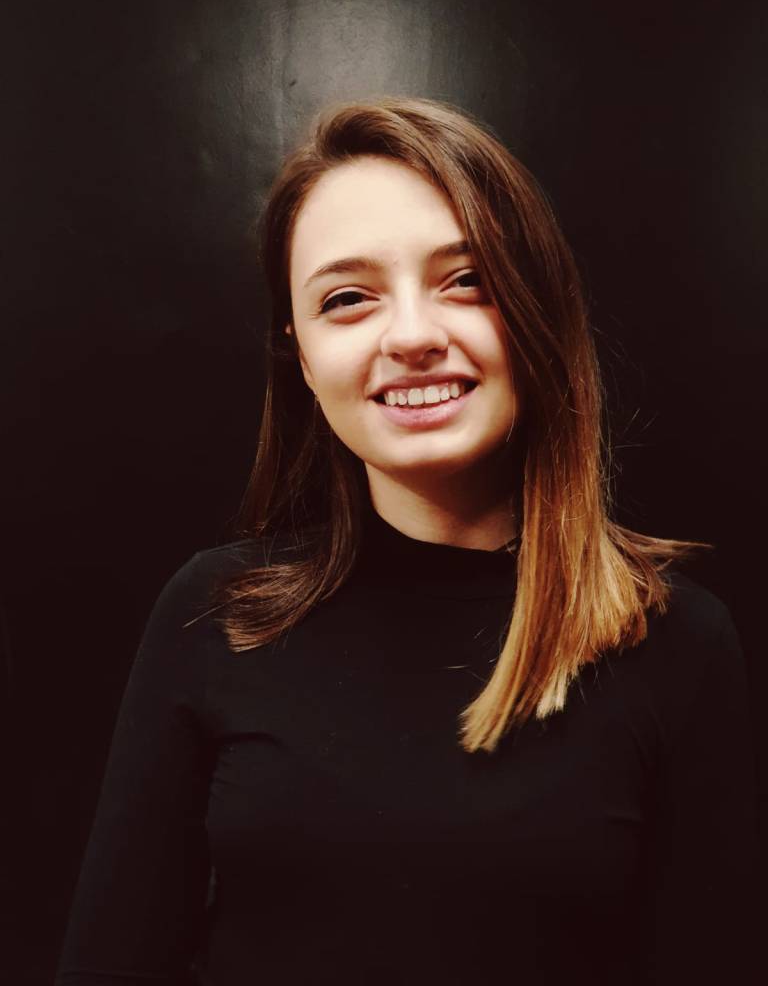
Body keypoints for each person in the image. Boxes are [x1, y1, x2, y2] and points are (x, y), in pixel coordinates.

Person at [55, 97, 758, 985]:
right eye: (347, 299)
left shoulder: (678, 641)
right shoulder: (216, 616)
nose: (414, 336)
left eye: (467, 280)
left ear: (536, 310)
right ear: (303, 358)